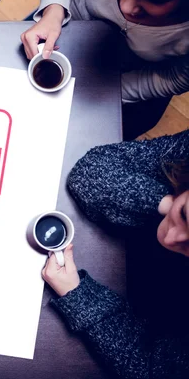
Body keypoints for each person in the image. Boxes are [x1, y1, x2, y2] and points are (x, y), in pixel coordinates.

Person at [37, 132, 189, 379]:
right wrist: (165, 204)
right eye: (185, 215)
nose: (171, 239)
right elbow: (90, 174)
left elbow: (148, 369)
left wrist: (78, 295)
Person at [20, 0, 189, 139]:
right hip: (67, 25)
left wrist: (112, 92)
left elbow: (177, 77)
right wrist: (53, 11)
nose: (126, 7)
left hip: (139, 80)